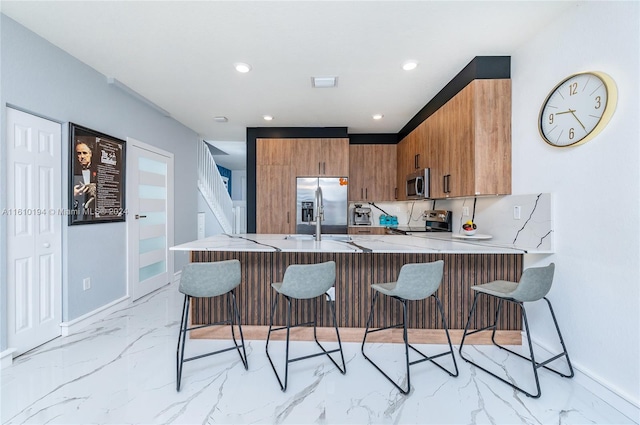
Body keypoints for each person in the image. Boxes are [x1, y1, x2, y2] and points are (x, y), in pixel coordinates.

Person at [73, 140, 97, 219]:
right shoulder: (72, 171)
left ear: (90, 154)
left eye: (85, 153)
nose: (82, 156)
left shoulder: (98, 170)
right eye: (79, 153)